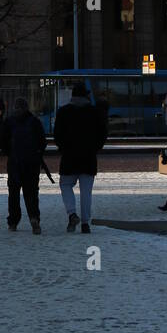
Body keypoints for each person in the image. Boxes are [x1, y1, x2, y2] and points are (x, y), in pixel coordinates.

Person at [54, 80, 107, 234]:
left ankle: (72, 214)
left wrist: (63, 148)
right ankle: (85, 223)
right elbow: (102, 133)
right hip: (88, 157)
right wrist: (95, 148)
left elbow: (57, 134)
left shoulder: (63, 112)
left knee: (65, 185)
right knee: (86, 191)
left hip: (69, 156)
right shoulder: (94, 112)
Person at [0, 96, 47, 233]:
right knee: (31, 192)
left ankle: (13, 222)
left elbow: (2, 141)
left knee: (13, 193)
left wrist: (10, 153)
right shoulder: (34, 122)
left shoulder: (9, 122)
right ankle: (34, 217)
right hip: (31, 163)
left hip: (14, 162)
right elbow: (42, 142)